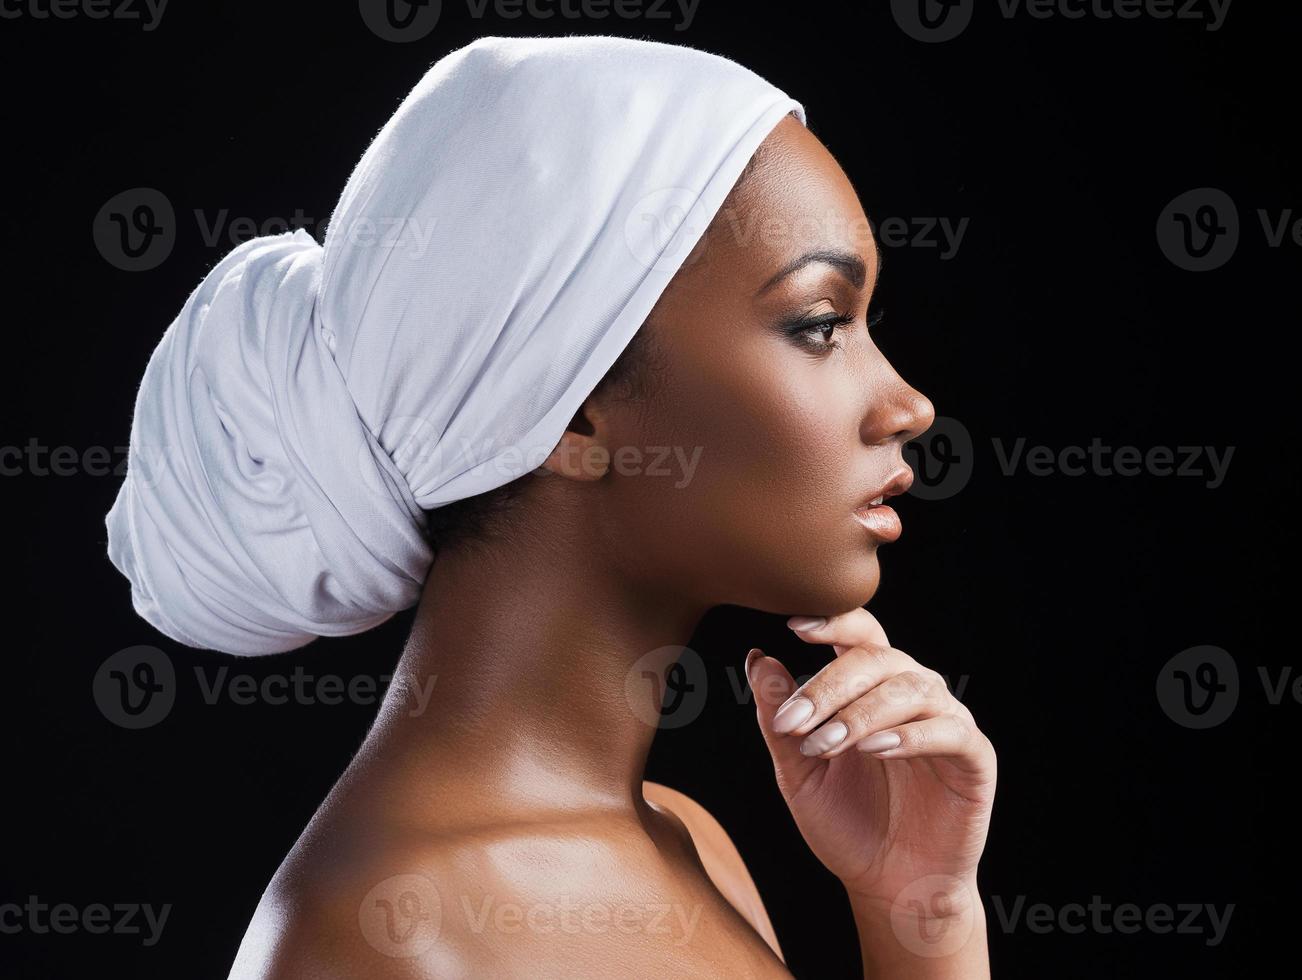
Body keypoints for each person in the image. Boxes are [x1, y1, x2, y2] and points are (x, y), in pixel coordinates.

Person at [106, 34, 996, 977]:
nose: (908, 405)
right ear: (567, 412)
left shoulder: (690, 847)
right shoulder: (386, 937)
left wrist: (918, 913)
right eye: (819, 326)